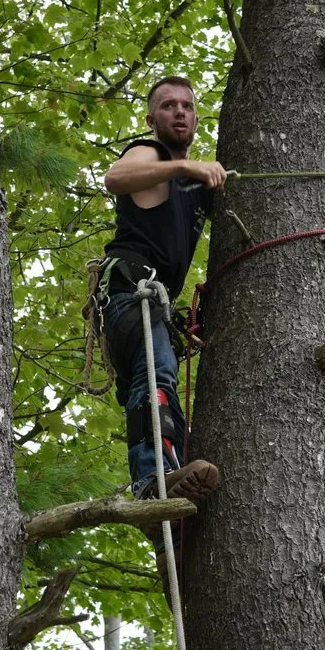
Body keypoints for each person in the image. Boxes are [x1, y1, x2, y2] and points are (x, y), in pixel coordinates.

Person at [100, 75, 226, 591]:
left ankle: (168, 529)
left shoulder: (193, 186)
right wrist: (184, 164)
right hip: (133, 291)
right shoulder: (149, 156)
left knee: (165, 390)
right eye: (167, 106)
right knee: (156, 380)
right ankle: (153, 486)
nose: (179, 113)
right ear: (152, 119)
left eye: (187, 107)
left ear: (196, 120)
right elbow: (115, 178)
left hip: (155, 303)